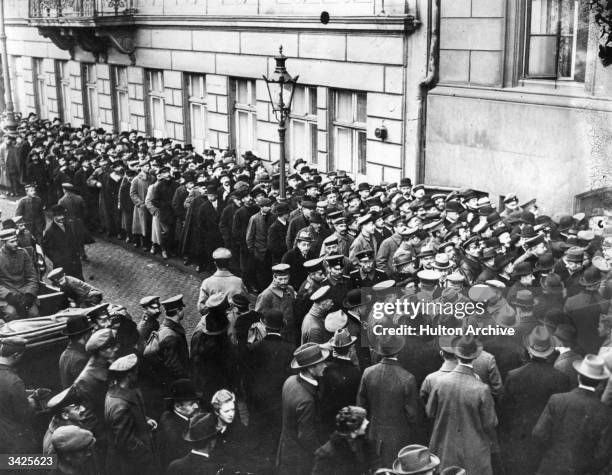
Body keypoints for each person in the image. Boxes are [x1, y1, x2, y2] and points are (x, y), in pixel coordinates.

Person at [499, 325, 571, 475]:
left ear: (530, 350)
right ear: (550, 351)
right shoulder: (561, 379)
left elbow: (504, 410)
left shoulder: (514, 375)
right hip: (547, 439)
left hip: (519, 436)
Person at [426, 335, 497, 475]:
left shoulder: (440, 383)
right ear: (475, 357)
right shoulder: (482, 389)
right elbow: (490, 423)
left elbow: (430, 412)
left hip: (445, 448)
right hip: (474, 452)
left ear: (457, 355)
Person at [532, 355, 612, 475]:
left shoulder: (557, 400)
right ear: (600, 382)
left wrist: (551, 454)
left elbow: (538, 434)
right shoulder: (606, 412)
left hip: (550, 468)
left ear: (578, 376)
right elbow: (603, 454)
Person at [357, 332, 420, 468]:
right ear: (398, 351)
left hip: (373, 436)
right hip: (398, 441)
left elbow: (361, 407)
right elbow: (413, 415)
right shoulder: (407, 378)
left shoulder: (368, 373)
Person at [246, 309, 293, 467]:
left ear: (265, 326)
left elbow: (248, 378)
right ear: (283, 326)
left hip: (259, 401)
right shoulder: (290, 349)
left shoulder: (254, 348)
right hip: (280, 400)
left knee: (260, 436)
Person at [277, 342, 329, 475]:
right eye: (321, 363)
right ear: (311, 368)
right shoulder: (307, 400)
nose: (325, 365)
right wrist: (324, 454)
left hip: (285, 452)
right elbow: (306, 436)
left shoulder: (290, 381)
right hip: (299, 462)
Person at [104, 353, 159, 475]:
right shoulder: (120, 406)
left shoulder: (122, 390)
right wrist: (147, 455)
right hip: (130, 465)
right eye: (135, 372)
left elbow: (132, 414)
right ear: (129, 376)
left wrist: (145, 419)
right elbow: (126, 442)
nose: (137, 374)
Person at [319, 329, 361, 437]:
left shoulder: (325, 370)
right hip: (347, 426)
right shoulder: (356, 373)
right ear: (351, 348)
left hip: (327, 425)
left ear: (334, 348)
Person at [312, 406, 376, 475]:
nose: (367, 422)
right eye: (363, 420)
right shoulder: (325, 453)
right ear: (355, 427)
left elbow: (374, 463)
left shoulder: (362, 444)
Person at [0, 336, 36, 453]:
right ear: (16, 355)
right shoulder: (14, 382)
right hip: (15, 440)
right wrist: (32, 402)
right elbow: (24, 414)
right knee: (38, 464)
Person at [158, 379, 202, 470]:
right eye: (191, 404)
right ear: (177, 406)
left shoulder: (170, 416)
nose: (196, 406)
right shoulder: (173, 430)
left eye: (196, 402)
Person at [0, 228, 39, 320]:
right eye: (11, 242)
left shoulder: (23, 253)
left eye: (16, 240)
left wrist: (30, 294)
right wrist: (8, 295)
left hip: (24, 293)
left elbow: (32, 276)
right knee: (11, 314)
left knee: (34, 314)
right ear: (4, 243)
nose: (16, 244)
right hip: (6, 297)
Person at [197, 247, 246, 315]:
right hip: (232, 322)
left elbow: (201, 308)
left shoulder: (207, 282)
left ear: (215, 263)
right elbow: (244, 305)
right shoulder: (239, 282)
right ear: (229, 263)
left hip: (212, 322)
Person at [255, 263, 297, 344]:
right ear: (274, 277)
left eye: (286, 278)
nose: (284, 282)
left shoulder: (290, 289)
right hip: (276, 335)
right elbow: (259, 317)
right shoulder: (266, 295)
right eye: (280, 279)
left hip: (291, 332)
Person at [42, 204, 84, 280]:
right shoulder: (50, 231)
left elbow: (73, 241)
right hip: (62, 264)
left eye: (63, 215)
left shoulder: (67, 226)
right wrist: (57, 259)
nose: (62, 217)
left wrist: (77, 252)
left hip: (74, 262)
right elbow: (46, 248)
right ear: (54, 216)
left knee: (79, 282)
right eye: (59, 216)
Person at [43, 387, 87, 454]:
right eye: (77, 408)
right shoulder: (53, 443)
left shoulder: (71, 422)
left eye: (81, 405)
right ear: (65, 415)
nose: (83, 409)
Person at [59, 314, 94, 388]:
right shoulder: (81, 359)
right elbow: (86, 389)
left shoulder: (64, 354)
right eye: (90, 334)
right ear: (85, 336)